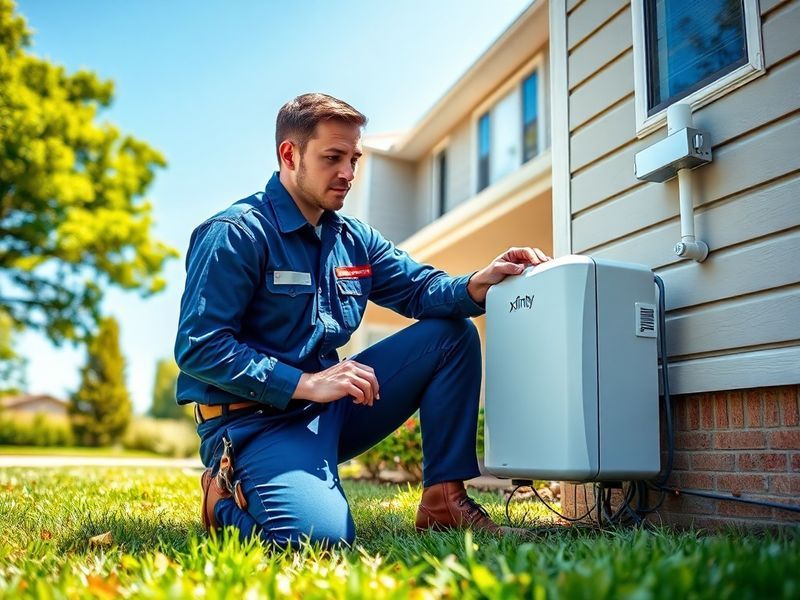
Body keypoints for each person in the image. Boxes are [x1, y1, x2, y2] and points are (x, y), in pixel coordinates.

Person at [175, 92, 551, 548]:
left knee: (451, 334)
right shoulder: (236, 233)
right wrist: (305, 382)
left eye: (354, 159)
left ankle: (443, 502)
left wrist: (478, 282)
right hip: (253, 423)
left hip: (330, 411)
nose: (348, 174)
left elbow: (420, 289)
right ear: (289, 154)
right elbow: (200, 345)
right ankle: (220, 497)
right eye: (333, 158)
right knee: (318, 544)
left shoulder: (354, 240)